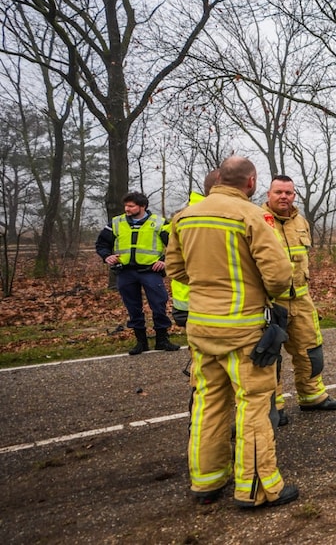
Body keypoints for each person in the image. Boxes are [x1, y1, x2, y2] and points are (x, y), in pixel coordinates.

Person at [165, 156, 299, 508]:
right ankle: (256, 488)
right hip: (244, 329)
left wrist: (209, 284)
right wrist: (254, 289)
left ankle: (207, 481)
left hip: (201, 328)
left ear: (220, 178)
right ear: (251, 181)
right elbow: (279, 276)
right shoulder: (251, 216)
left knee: (208, 403)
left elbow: (176, 269)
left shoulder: (184, 216)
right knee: (253, 404)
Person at [263, 175, 336, 426]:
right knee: (269, 357)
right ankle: (274, 407)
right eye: (278, 192)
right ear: (268, 194)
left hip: (301, 299)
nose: (284, 196)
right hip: (270, 301)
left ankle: (312, 396)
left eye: (288, 192)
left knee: (310, 350)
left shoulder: (301, 222)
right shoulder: (258, 221)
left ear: (294, 195)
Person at [95, 191, 180, 354]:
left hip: (150, 271)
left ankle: (162, 340)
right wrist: (107, 256)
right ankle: (141, 342)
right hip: (125, 272)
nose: (127, 209)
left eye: (131, 206)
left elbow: (174, 245)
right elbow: (101, 244)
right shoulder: (116, 222)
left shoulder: (159, 222)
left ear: (143, 206)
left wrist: (164, 260)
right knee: (133, 308)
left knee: (159, 305)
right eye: (126, 206)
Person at [170, 169, 221, 330]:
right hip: (205, 300)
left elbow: (173, 264)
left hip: (188, 297)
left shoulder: (183, 215)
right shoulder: (215, 215)